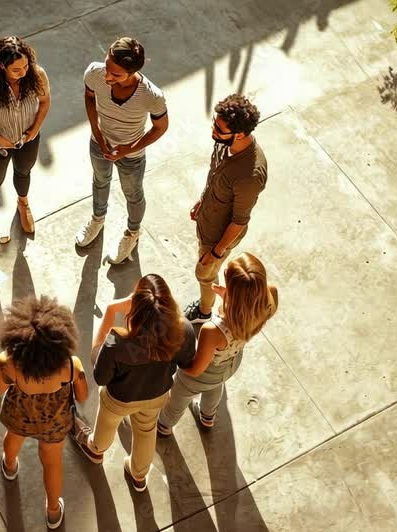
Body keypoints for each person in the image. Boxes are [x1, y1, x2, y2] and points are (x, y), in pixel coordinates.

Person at [71, 274, 195, 492]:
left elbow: (100, 375)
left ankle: (96, 449)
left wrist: (110, 312)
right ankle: (139, 475)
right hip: (157, 395)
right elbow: (186, 362)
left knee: (107, 424)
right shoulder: (184, 330)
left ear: (136, 309)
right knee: (146, 431)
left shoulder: (117, 341)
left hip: (119, 398)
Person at [0, 296, 88, 529]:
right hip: (55, 422)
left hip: (19, 414)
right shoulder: (70, 365)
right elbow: (83, 396)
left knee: (12, 439)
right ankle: (53, 510)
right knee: (53, 463)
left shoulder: (7, 362)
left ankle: (10, 465)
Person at [159, 253, 278, 434]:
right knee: (214, 388)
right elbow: (247, 308)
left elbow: (197, 370)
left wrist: (179, 364)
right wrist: (230, 298)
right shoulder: (269, 298)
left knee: (179, 396)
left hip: (202, 375)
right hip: (231, 364)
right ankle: (208, 417)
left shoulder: (213, 330)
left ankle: (164, 425)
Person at [75, 37, 169, 264]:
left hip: (132, 156)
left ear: (133, 72)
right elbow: (89, 98)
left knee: (133, 194)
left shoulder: (152, 97)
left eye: (116, 75)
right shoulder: (95, 73)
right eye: (107, 66)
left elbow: (160, 127)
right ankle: (98, 219)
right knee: (100, 180)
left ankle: (132, 233)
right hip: (99, 144)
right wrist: (97, 133)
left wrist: (128, 149)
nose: (107, 77)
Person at [184, 94, 268, 323]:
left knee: (204, 273)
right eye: (215, 123)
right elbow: (215, 174)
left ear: (239, 134)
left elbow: (239, 222)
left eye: (219, 129)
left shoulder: (249, 176)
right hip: (208, 220)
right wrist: (203, 200)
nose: (213, 130)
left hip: (218, 237)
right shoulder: (225, 142)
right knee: (206, 272)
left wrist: (215, 253)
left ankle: (204, 311)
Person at [0, 36, 52, 250]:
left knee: (24, 173)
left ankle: (23, 204)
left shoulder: (37, 74)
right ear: (1, 65)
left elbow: (44, 102)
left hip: (27, 140)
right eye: (16, 69)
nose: (23, 72)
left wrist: (34, 130)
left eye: (26, 66)